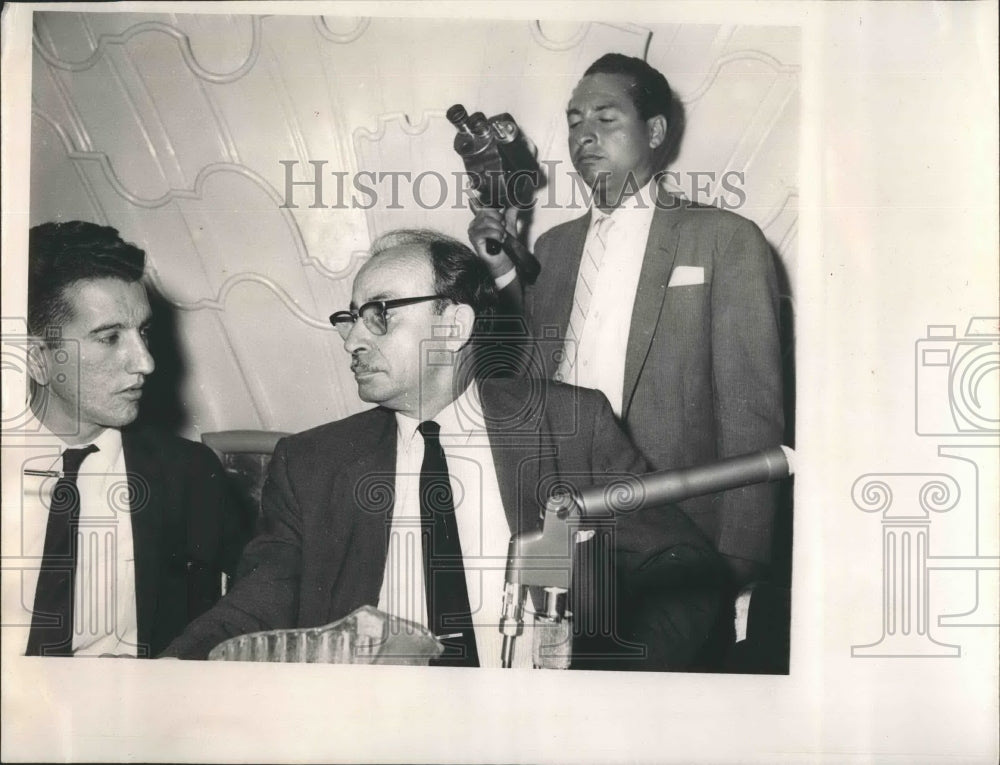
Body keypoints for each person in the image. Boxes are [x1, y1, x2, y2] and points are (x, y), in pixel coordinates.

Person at [161, 229, 725, 670]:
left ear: (453, 324)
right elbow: (258, 602)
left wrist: (607, 676)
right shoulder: (311, 463)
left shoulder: (570, 425)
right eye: (350, 318)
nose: (353, 339)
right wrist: (170, 673)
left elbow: (684, 566)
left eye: (381, 312)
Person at [468, 53, 785, 590]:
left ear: (655, 130)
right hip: (557, 518)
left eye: (604, 119)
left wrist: (742, 555)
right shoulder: (553, 247)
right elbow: (523, 376)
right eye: (573, 122)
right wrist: (501, 271)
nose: (583, 136)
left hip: (676, 529)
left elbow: (751, 409)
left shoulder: (724, 237)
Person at [10, 220, 247, 658]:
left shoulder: (189, 475)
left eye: (144, 332)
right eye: (110, 337)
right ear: (37, 358)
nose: (145, 362)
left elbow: (245, 611)